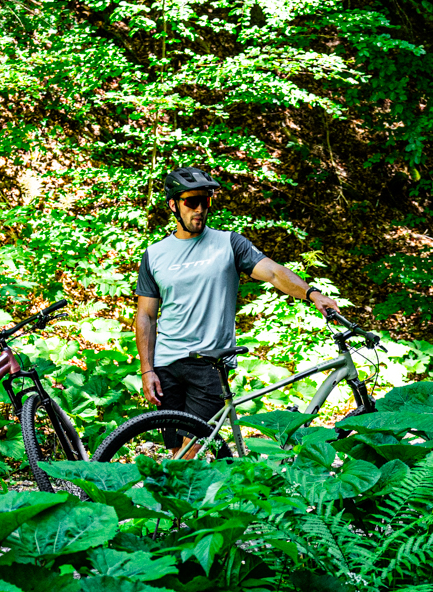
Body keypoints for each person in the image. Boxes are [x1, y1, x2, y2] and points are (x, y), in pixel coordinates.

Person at [135, 168, 337, 446]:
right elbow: (146, 316)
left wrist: (311, 293)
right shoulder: (155, 254)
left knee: (191, 446)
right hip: (167, 364)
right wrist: (148, 370)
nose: (200, 209)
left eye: (205, 201)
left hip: (209, 362)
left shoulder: (229, 243)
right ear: (173, 205)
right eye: (191, 202)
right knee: (176, 450)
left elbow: (274, 273)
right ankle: (176, 490)